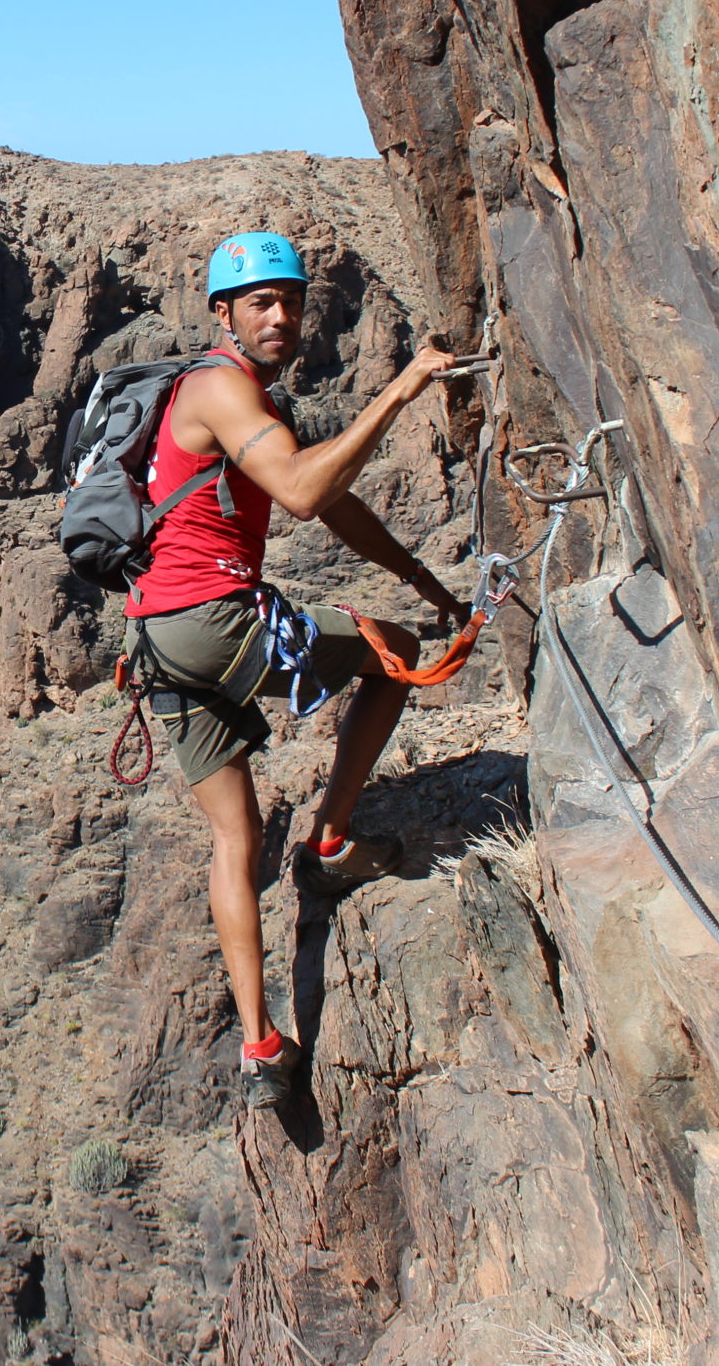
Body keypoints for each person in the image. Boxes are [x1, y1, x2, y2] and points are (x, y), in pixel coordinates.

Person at [125, 233, 462, 1113]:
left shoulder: (234, 397)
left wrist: (421, 575)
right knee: (392, 651)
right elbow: (306, 493)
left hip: (158, 637)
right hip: (212, 621)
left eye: (291, 300)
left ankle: (261, 1045)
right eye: (261, 302)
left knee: (234, 835)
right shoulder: (221, 389)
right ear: (223, 314)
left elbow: (333, 499)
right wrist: (403, 387)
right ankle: (330, 843)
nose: (280, 315)